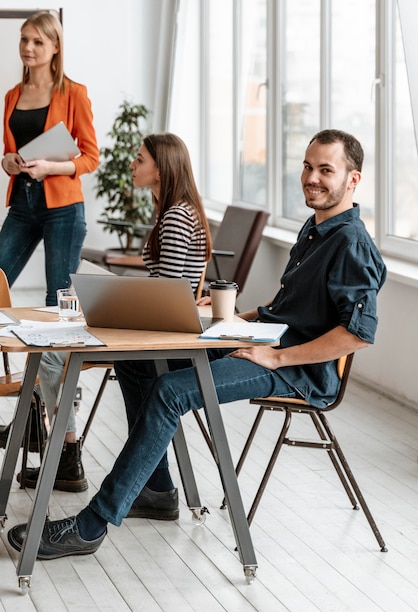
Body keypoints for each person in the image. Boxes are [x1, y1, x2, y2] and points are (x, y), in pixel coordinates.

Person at [7, 129, 387, 560]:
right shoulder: (315, 228)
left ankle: (92, 526)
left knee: (172, 391)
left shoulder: (352, 243)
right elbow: (286, 308)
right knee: (141, 362)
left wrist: (276, 357)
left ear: (352, 180)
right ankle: (158, 489)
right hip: (267, 342)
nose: (311, 178)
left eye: (325, 170)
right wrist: (231, 320)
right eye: (307, 166)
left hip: (298, 369)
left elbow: (357, 334)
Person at [12, 132, 212, 499]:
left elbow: (165, 295)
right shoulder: (176, 212)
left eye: (140, 159)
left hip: (160, 337)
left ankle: (67, 452)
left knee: (54, 354)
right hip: (161, 331)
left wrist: (109, 299)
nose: (132, 164)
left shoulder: (176, 218)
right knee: (64, 337)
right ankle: (86, 460)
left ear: (161, 168)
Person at [0, 10, 99, 458]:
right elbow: (9, 152)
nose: (28, 48)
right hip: (22, 204)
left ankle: (67, 438)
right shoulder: (13, 95)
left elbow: (89, 158)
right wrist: (9, 163)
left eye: (38, 41)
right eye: (24, 40)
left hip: (62, 208)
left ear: (55, 47)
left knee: (61, 319)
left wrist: (51, 166)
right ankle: (31, 410)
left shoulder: (73, 93)